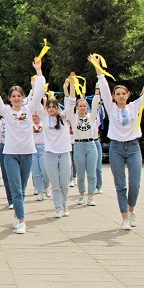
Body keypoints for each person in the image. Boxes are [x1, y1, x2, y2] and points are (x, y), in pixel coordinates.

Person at [0, 58, 46, 234]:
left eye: (19, 96)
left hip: (27, 153)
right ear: (9, 99)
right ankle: (23, 221)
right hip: (10, 154)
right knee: (16, 188)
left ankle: (18, 214)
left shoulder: (29, 109)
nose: (16, 98)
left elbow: (39, 92)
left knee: (22, 189)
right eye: (13, 96)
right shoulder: (6, 111)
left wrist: (39, 71)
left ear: (23, 97)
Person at [92, 54, 144, 230]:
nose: (120, 96)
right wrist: (98, 67)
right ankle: (125, 218)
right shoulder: (110, 107)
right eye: (117, 93)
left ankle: (131, 209)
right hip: (116, 148)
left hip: (134, 147)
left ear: (128, 95)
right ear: (113, 96)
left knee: (135, 184)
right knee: (121, 185)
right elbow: (103, 84)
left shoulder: (135, 106)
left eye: (123, 93)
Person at [35, 75, 76, 218]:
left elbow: (71, 102)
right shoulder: (44, 117)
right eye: (49, 107)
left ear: (58, 108)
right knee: (55, 183)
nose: (51, 109)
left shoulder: (63, 117)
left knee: (64, 183)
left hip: (64, 153)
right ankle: (58, 207)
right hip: (50, 154)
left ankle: (65, 205)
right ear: (46, 108)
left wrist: (71, 85)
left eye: (54, 107)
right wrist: (37, 85)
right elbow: (36, 102)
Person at [68, 75, 100, 207]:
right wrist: (71, 85)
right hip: (79, 145)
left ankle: (91, 196)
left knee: (92, 173)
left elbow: (96, 101)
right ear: (77, 107)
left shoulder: (91, 117)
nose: (82, 107)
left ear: (87, 107)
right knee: (80, 172)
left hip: (91, 144)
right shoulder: (73, 117)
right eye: (80, 106)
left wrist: (98, 86)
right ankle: (81, 195)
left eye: (84, 106)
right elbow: (69, 101)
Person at [31, 112, 50, 201]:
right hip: (33, 149)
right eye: (33, 116)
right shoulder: (29, 125)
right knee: (36, 173)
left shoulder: (44, 123)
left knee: (45, 171)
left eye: (36, 116)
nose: (34, 118)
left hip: (43, 148)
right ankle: (39, 192)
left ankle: (46, 187)